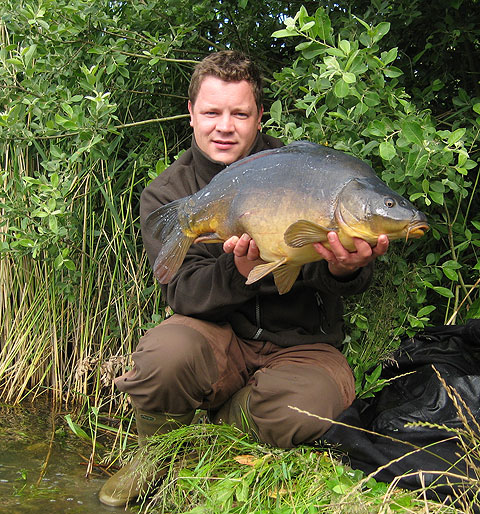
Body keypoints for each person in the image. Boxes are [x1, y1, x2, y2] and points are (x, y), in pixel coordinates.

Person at [99, 50, 389, 507]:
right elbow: (184, 293)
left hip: (302, 343)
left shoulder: (301, 170)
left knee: (312, 408)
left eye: (240, 113)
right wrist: (236, 271)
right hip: (218, 335)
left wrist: (344, 268)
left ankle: (212, 433)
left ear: (259, 118)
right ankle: (152, 454)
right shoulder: (168, 192)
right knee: (163, 354)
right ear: (192, 114)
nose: (225, 126)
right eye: (212, 112)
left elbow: (338, 270)